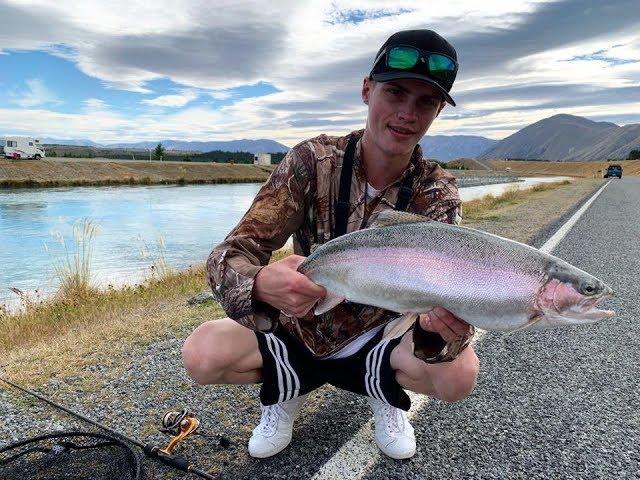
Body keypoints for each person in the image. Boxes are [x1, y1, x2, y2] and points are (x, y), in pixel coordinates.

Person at [182, 29, 479, 460]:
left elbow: (447, 298)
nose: (407, 113)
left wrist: (445, 331)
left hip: (380, 338)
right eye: (395, 92)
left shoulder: (437, 193)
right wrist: (262, 283)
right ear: (366, 90)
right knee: (201, 354)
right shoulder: (312, 162)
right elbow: (229, 255)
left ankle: (384, 392)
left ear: (436, 112)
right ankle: (284, 390)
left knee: (459, 375)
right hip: (297, 328)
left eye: (425, 102)